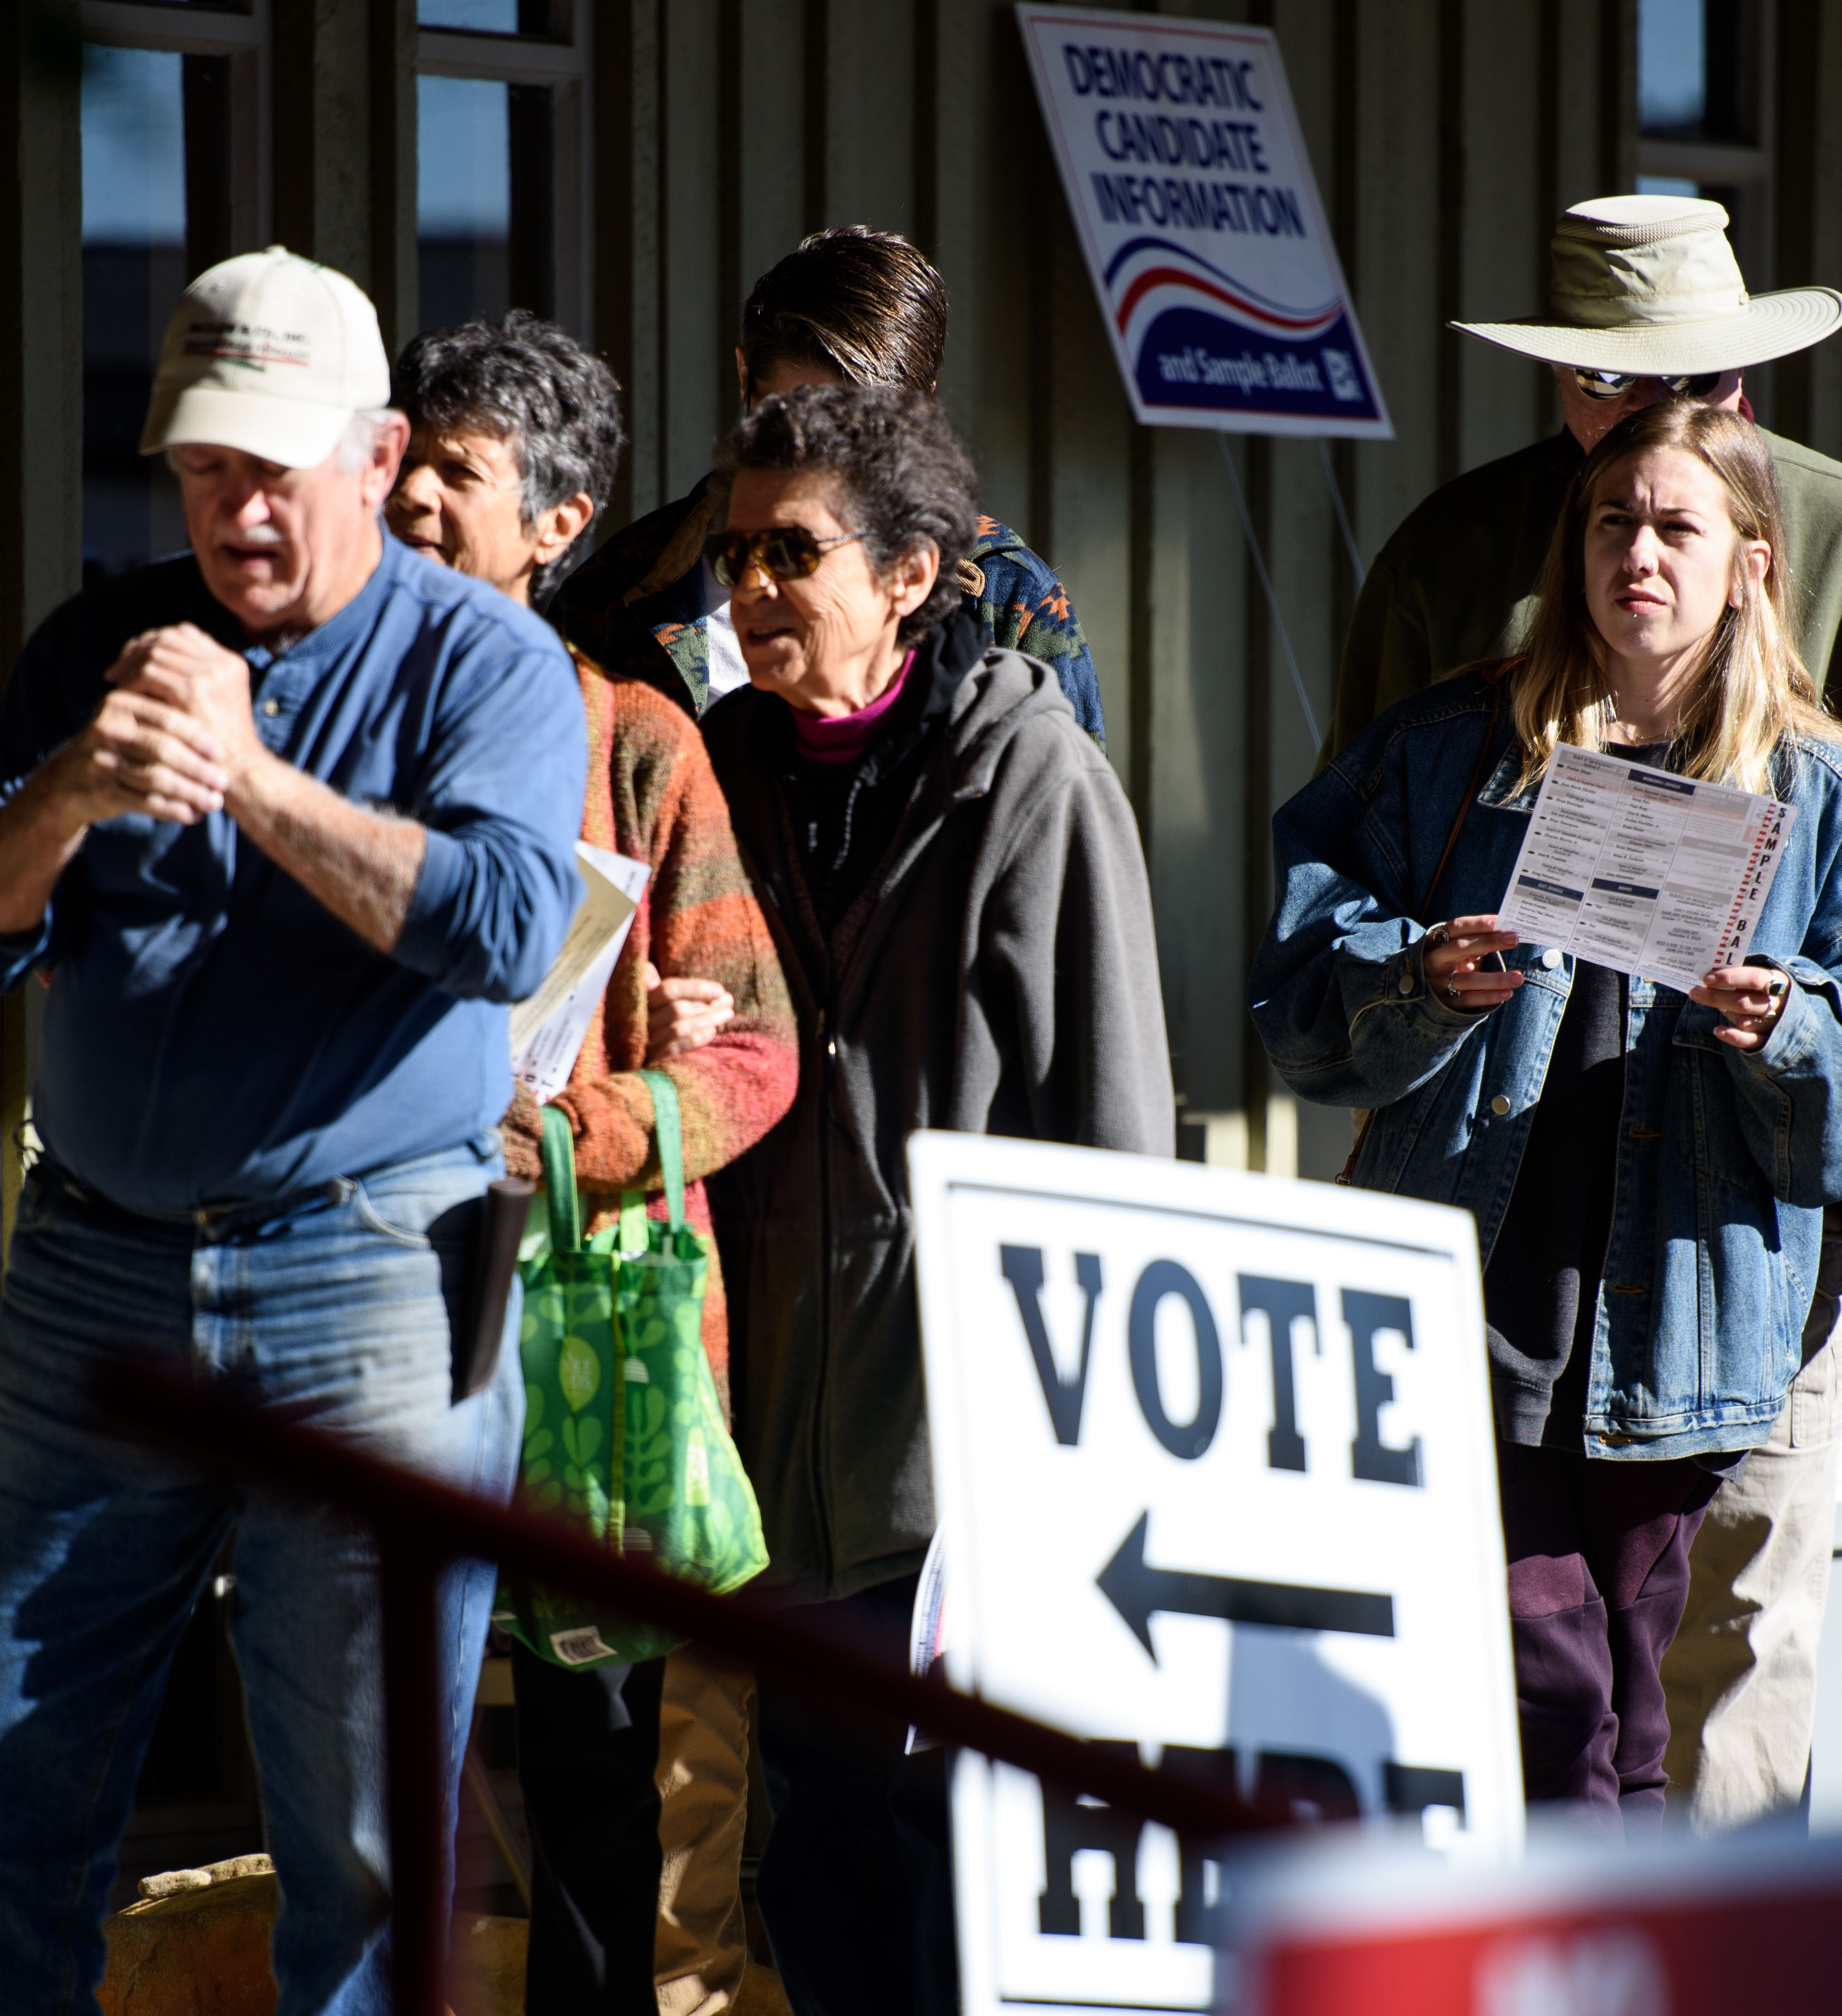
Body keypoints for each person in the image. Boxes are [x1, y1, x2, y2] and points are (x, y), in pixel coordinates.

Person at [0, 248, 582, 2013]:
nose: (238, 510)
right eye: (205, 468)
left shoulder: (486, 659)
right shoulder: (100, 647)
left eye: (275, 469)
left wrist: (257, 781)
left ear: (376, 457)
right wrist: (72, 788)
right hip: (98, 1278)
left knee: (362, 1846)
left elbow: (507, 926)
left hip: (369, 1283)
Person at [1333, 188, 1842, 1833]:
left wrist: (1799, 905)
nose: (1628, 447)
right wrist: (1428, 957)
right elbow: (1358, 832)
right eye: (1591, 382)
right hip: (1504, 1194)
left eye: (1666, 382)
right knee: (1523, 1666)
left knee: (1731, 1652)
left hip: (1731, 1222)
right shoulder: (1451, 549)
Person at [695, 382, 1173, 2015]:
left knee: (963, 1843)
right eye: (735, 552)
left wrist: (1098, 1446)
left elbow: (1115, 1126)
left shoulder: (1028, 776)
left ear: (910, 574)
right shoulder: (717, 768)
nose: (751, 587)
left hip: (966, 1423)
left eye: (792, 553)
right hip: (771, 1406)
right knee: (813, 1837)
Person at [387, 311, 800, 2016]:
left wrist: (578, 1127)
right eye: (401, 464)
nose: (411, 500)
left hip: (581, 1319)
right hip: (363, 1293)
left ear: (558, 526)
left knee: (590, 1768)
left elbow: (757, 1052)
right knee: (374, 1743)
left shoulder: (637, 740)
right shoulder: (327, 727)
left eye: (455, 480)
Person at [551, 225, 1102, 738]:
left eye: (859, 433)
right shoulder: (614, 597)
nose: (818, 459)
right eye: (788, 421)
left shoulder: (1003, 597)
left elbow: (1062, 823)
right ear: (745, 380)